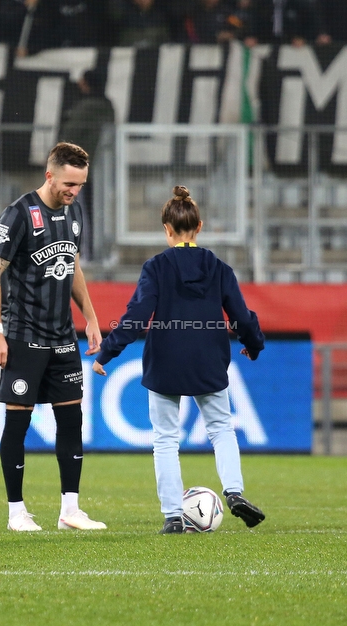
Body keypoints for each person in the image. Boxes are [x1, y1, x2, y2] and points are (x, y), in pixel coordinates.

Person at [92, 185, 266, 534]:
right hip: (208, 359)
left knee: (166, 439)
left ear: (166, 230)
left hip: (166, 360)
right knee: (221, 428)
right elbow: (241, 316)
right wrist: (254, 344)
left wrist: (108, 351)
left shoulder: (156, 266)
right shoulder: (219, 267)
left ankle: (173, 514)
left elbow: (137, 315)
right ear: (199, 227)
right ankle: (233, 492)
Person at [0, 142, 105, 532]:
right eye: (70, 183)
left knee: (72, 419)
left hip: (62, 337)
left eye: (81, 184)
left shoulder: (75, 213)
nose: (75, 191)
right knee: (17, 423)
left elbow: (73, 266)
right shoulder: (18, 214)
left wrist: (91, 317)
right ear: (49, 175)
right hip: (22, 335)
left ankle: (71, 510)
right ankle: (16, 512)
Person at [59, 69, 115, 259]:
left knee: (79, 212)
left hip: (82, 169)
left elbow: (69, 135)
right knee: (98, 212)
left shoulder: (85, 107)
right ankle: (99, 252)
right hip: (102, 168)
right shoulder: (108, 106)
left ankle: (84, 253)